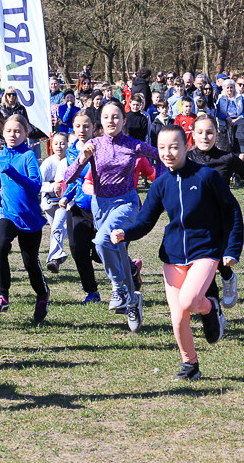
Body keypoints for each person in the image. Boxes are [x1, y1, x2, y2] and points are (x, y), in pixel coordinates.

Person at [111, 124, 241, 381]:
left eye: (173, 147)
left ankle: (210, 308)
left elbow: (233, 212)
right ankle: (190, 364)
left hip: (205, 250)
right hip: (172, 256)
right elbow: (145, 221)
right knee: (177, 315)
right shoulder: (160, 185)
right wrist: (126, 233)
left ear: (185, 146)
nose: (167, 152)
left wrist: (232, 249)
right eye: (162, 148)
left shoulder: (206, 176)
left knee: (190, 301)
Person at [63, 101, 163, 332]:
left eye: (116, 117)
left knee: (101, 241)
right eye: (106, 117)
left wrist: (165, 182)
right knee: (117, 250)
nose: (111, 121)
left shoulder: (134, 145)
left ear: (124, 121)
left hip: (127, 204)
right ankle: (132, 302)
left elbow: (163, 156)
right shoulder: (93, 144)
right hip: (101, 207)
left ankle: (118, 288)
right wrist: (81, 158)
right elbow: (69, 177)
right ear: (101, 121)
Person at [0, 114, 50, 324]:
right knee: (0, 246)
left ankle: (42, 294)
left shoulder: (29, 157)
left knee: (30, 262)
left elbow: (35, 186)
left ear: (26, 134)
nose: (13, 135)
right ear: (2, 133)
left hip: (30, 217)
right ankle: (2, 294)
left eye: (17, 131)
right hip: (7, 213)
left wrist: (13, 172)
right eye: (9, 131)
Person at [187, 114, 244, 308]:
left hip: (222, 219)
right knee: (204, 264)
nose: (205, 137)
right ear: (193, 135)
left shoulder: (227, 159)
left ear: (217, 134)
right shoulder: (186, 159)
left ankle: (228, 278)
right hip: (196, 220)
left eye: (210, 132)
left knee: (218, 261)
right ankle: (214, 308)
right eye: (200, 132)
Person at [60, 111, 102, 304]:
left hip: (100, 205)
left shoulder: (101, 147)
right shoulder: (71, 151)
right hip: (78, 204)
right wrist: (66, 195)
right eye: (78, 126)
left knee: (102, 252)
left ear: (94, 127)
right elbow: (73, 177)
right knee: (77, 248)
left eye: (86, 126)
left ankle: (131, 269)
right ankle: (92, 291)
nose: (82, 130)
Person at [39, 132, 70, 273]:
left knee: (57, 227)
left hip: (64, 203)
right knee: (56, 230)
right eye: (56, 143)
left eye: (63, 143)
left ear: (68, 145)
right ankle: (58, 256)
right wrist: (52, 187)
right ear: (51, 145)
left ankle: (54, 260)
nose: (59, 146)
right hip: (48, 202)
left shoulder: (71, 161)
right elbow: (37, 183)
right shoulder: (48, 163)